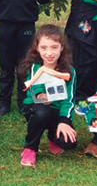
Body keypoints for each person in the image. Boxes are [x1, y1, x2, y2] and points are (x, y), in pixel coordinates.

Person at [17, 25, 77, 167]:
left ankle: (52, 137)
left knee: (68, 143)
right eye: (44, 48)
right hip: (36, 107)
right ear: (37, 48)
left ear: (61, 48)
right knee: (42, 112)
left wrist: (64, 121)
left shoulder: (69, 72)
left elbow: (69, 99)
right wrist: (41, 96)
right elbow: (33, 87)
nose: (49, 53)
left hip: (56, 109)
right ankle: (30, 148)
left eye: (54, 47)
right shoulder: (35, 68)